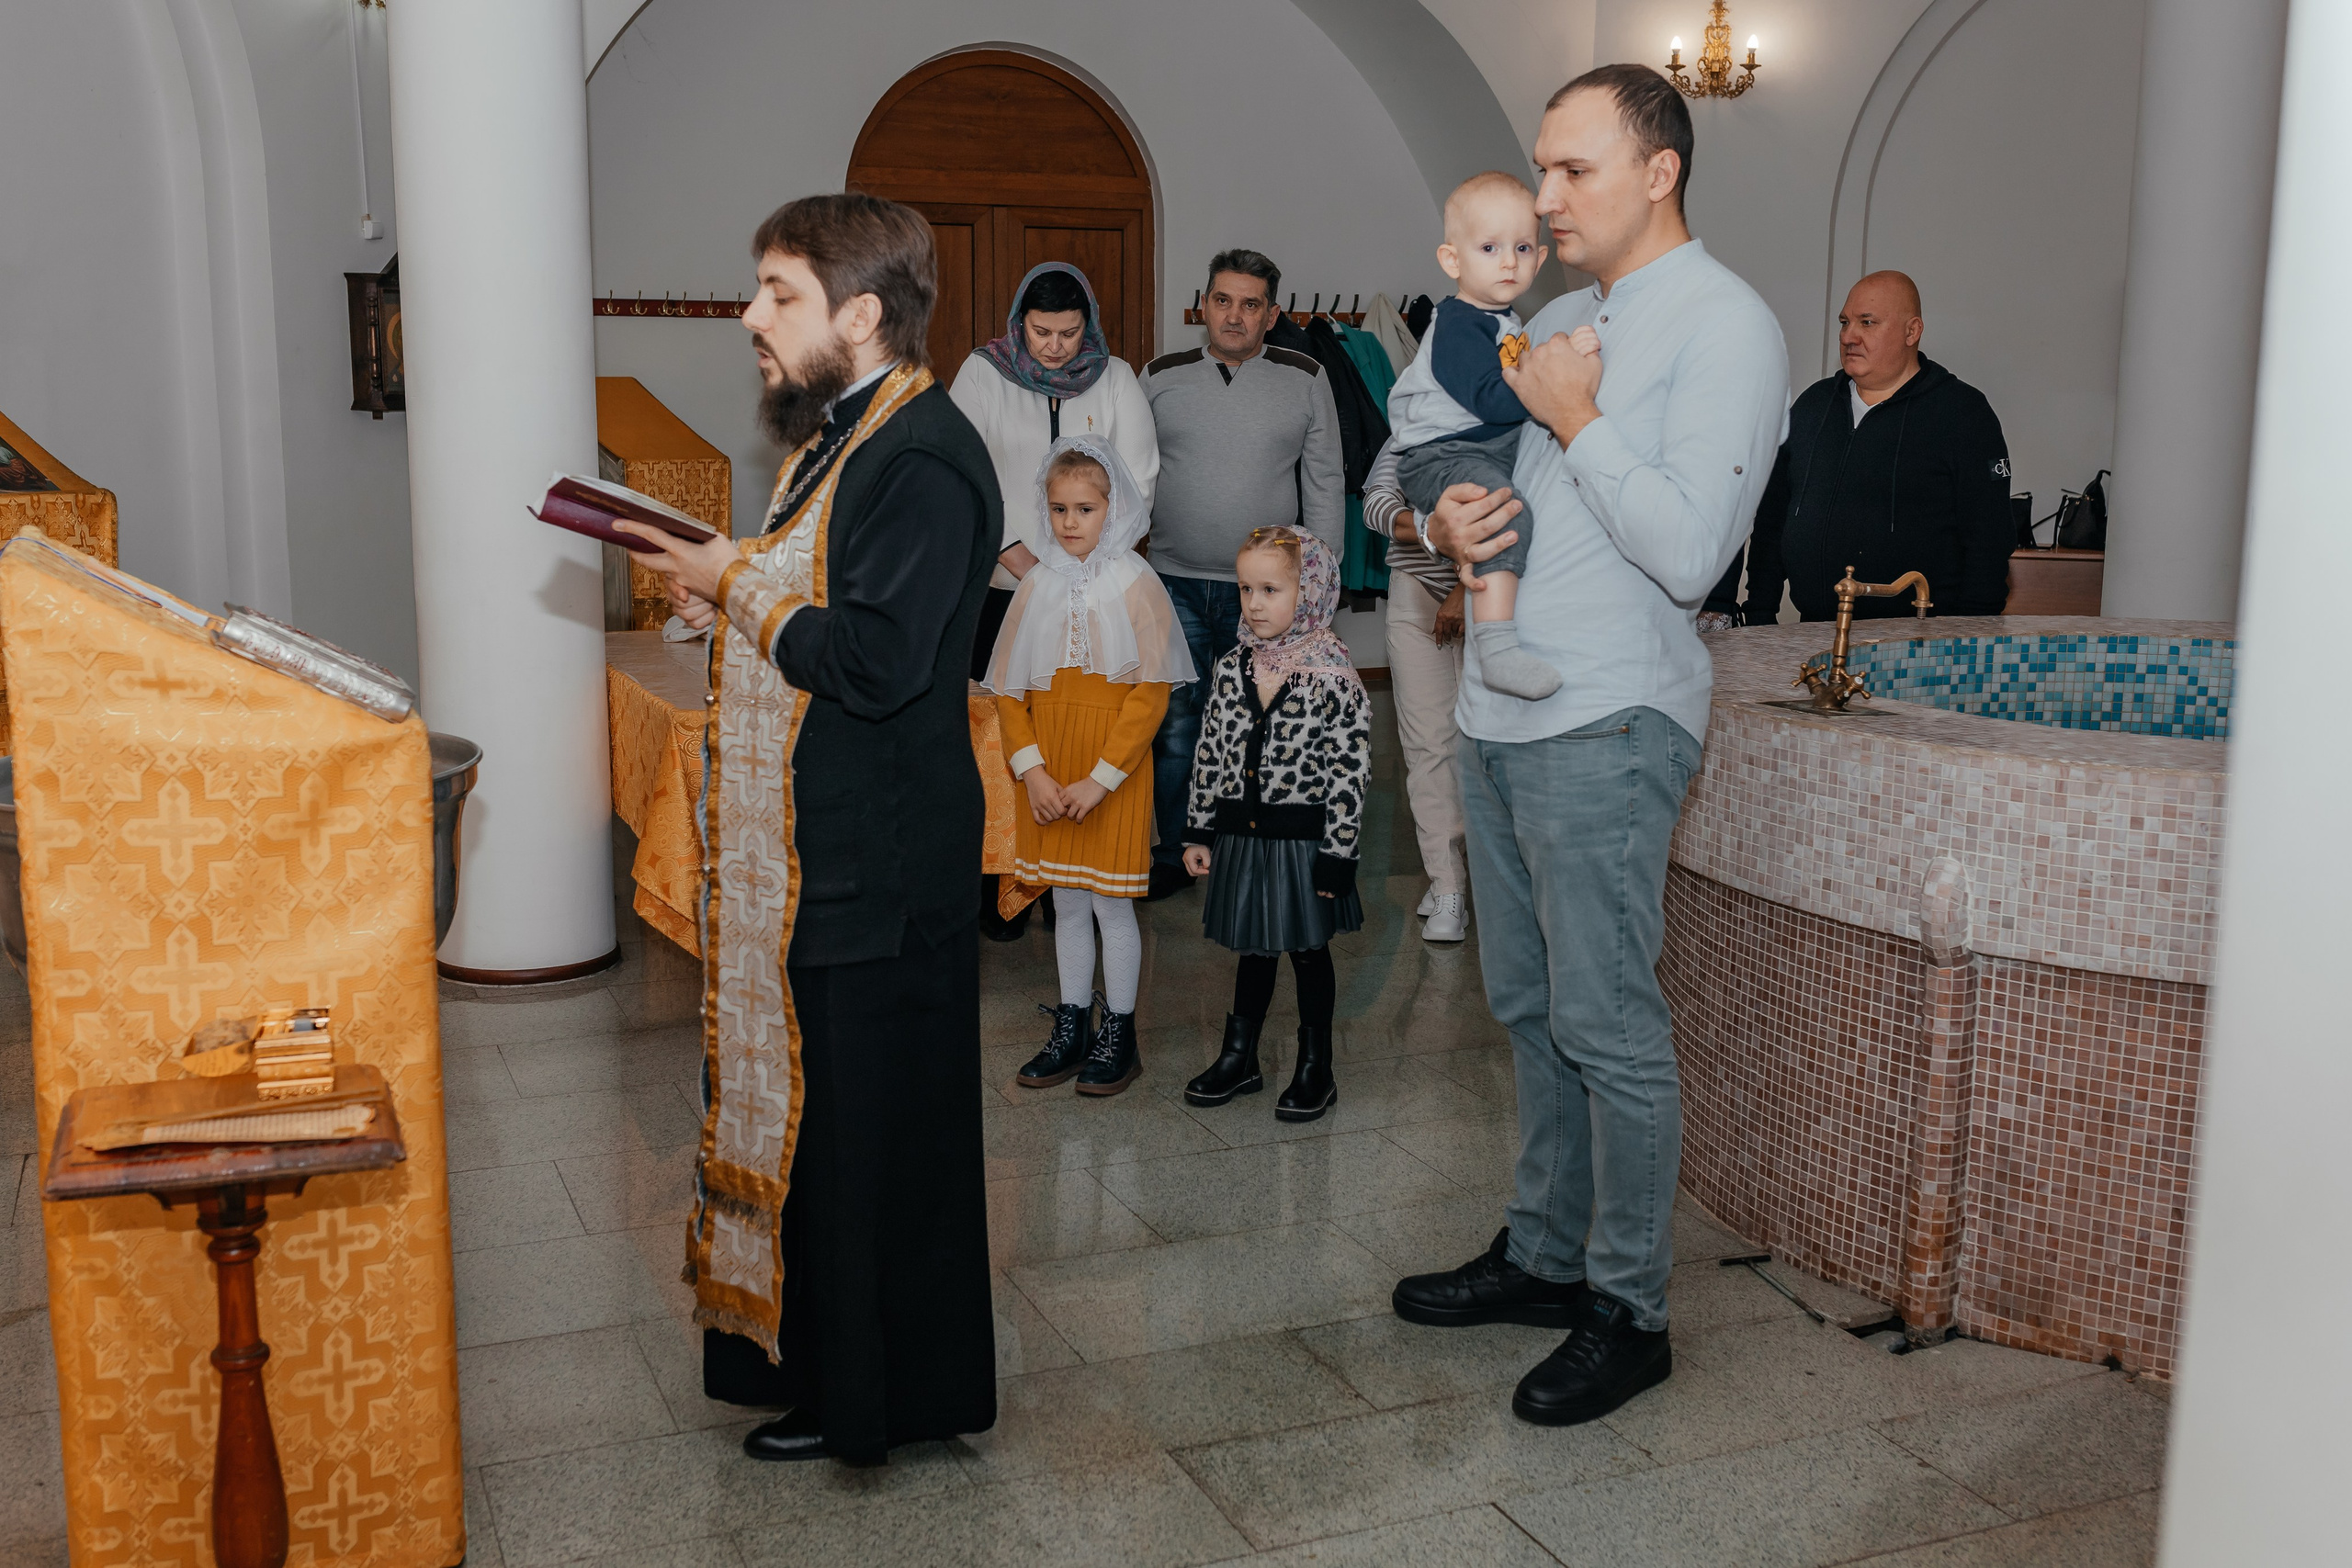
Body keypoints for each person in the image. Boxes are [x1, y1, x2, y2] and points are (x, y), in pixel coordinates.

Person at [1395, 65, 1787, 1427]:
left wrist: (1574, 413)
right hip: (1501, 707)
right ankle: (1547, 1249)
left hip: (1610, 716)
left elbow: (1689, 550)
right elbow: (1448, 477)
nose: (1545, 195)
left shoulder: (1727, 326)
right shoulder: (1559, 314)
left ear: (1660, 169)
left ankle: (1630, 1303)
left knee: (1609, 1020)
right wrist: (1428, 530)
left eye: (1573, 169)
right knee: (1526, 1006)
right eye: (1542, 171)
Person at [617, 192, 1000, 1467]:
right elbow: (811, 598)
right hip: (830, 854)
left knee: (877, 1145)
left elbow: (881, 660)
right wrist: (722, 569)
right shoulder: (840, 441)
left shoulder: (925, 454)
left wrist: (731, 581)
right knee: (842, 1138)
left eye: (777, 293)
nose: (749, 317)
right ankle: (854, 1376)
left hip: (880, 865)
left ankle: (875, 1395)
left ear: (862, 312)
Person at [951, 262, 1159, 941]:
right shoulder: (984, 373)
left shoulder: (1117, 376)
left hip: (1094, 591)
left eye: (1069, 333)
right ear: (1020, 322)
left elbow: (1139, 477)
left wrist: (1087, 559)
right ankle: (997, 888)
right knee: (1003, 737)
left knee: (1080, 730)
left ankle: (1064, 883)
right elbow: (961, 467)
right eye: (1042, 332)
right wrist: (1014, 552)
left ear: (1087, 325)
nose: (1055, 347)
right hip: (1002, 587)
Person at [984, 437, 1193, 1097]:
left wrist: (1102, 778)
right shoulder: (1035, 585)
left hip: (1111, 774)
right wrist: (1032, 771)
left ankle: (1119, 1032)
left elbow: (1151, 692)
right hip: (1049, 772)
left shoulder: (1136, 583)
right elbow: (1009, 692)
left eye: (1086, 508)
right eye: (1058, 509)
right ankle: (1073, 1023)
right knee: (1066, 904)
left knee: (1111, 905)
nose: (1071, 522)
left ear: (1116, 509)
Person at [1139, 249, 1345, 900]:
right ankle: (1176, 850)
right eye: (1223, 300)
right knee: (1176, 723)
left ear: (1272, 313)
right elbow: (1133, 480)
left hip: (1268, 594)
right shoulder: (1159, 376)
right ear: (1204, 305)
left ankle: (1242, 849)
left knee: (1254, 725)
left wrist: (1319, 590)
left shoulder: (1306, 375)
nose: (1234, 315)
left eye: (1250, 303)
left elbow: (1325, 483)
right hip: (1171, 581)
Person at [1178, 527, 1371, 1123]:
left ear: (1309, 591)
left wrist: (1339, 854)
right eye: (1245, 589)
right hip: (1243, 834)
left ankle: (1317, 1065)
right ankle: (1241, 1055)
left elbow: (1349, 773)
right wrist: (1200, 829)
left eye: (1270, 588)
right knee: (1254, 949)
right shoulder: (1233, 665)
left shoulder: (1333, 676)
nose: (1254, 603)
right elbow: (1210, 749)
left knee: (1308, 952)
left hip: (1303, 842)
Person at [1739, 271, 2014, 622]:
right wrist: (1760, 613)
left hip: (1921, 643)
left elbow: (1988, 538)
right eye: (1845, 322)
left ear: (1911, 332)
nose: (1849, 336)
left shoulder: (1962, 413)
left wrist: (1973, 636)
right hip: (1813, 633)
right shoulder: (1813, 407)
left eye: (1867, 323)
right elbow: (1773, 518)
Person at [1388, 171, 1558, 701]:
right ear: (1452, 260)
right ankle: (1497, 649)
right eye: (1489, 247)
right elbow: (1490, 398)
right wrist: (1555, 382)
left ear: (1540, 259)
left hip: (1473, 447)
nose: (1508, 260)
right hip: (1442, 454)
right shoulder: (1461, 322)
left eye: (1522, 247)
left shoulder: (1507, 322)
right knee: (1507, 513)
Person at [1363, 439, 1471, 942]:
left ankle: (1480, 878)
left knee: (1486, 748)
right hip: (1413, 591)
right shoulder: (1411, 426)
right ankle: (1447, 884)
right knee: (1428, 744)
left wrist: (1464, 589)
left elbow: (1524, 513)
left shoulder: (1508, 414)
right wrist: (1434, 531)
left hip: (1494, 593)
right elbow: (1378, 504)